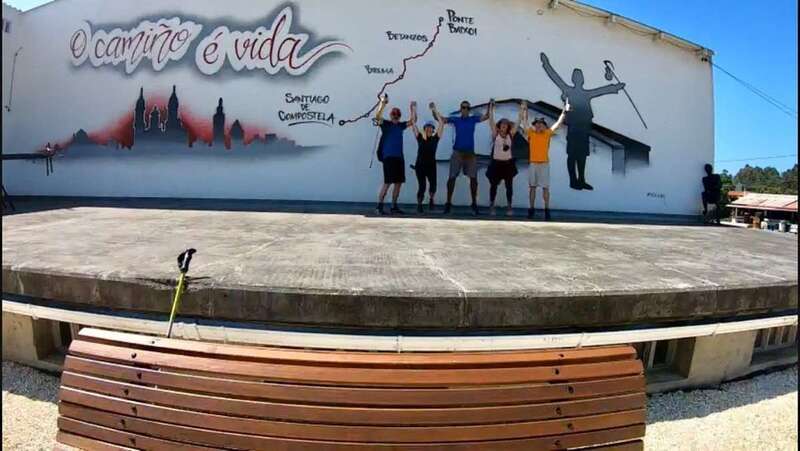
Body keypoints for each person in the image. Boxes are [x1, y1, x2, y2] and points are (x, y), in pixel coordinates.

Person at [540, 52, 625, 191]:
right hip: (573, 129)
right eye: (577, 77)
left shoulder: (586, 94)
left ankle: (582, 180)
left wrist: (616, 87)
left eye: (580, 77)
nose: (579, 79)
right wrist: (546, 64)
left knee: (582, 156)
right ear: (573, 79)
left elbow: (602, 90)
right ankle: (573, 181)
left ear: (582, 80)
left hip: (584, 129)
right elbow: (555, 77)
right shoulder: (568, 90)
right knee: (572, 155)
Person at [431, 99, 491, 215]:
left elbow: (486, 117)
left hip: (470, 153)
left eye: (467, 108)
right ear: (461, 109)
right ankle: (448, 203)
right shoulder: (456, 120)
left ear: (469, 110)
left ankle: (474, 203)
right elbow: (440, 119)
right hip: (457, 152)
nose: (465, 110)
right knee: (452, 178)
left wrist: (490, 106)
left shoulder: (473, 119)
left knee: (473, 179)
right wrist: (434, 110)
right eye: (463, 107)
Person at [520, 99, 569, 220]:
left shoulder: (547, 133)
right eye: (536, 123)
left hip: (544, 164)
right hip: (533, 163)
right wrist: (524, 109)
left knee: (545, 187)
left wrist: (564, 112)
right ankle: (531, 209)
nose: (538, 125)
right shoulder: (531, 133)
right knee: (532, 187)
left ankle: (547, 210)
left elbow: (558, 123)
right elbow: (525, 122)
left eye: (541, 123)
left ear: (544, 125)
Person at [374, 95, 417, 215]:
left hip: (399, 158)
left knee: (398, 183)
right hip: (388, 157)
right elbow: (377, 116)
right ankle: (379, 206)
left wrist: (413, 109)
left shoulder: (400, 126)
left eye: (397, 115)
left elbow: (413, 121)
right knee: (387, 182)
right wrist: (383, 104)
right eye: (394, 115)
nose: (396, 117)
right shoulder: (386, 124)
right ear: (391, 115)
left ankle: (394, 206)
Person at [485, 101, 525, 216]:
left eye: (506, 124)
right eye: (502, 123)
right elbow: (491, 120)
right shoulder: (495, 134)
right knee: (493, 186)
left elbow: (518, 121)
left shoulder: (510, 135)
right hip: (496, 164)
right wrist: (491, 107)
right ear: (499, 125)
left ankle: (509, 207)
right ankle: (491, 206)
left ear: (508, 126)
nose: (504, 125)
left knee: (509, 186)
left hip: (507, 164)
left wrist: (522, 109)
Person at [411, 105, 445, 213]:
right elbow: (413, 123)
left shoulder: (435, 138)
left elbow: (441, 123)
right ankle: (419, 204)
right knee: (422, 186)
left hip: (431, 166)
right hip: (420, 165)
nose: (429, 129)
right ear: (424, 128)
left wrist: (434, 110)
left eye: (431, 127)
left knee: (433, 185)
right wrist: (413, 110)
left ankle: (431, 199)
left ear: (433, 130)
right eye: (427, 127)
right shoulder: (419, 138)